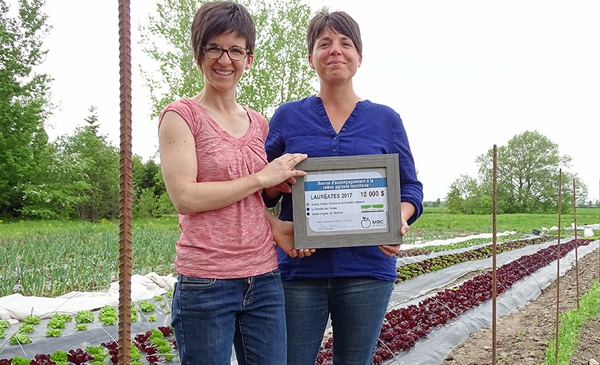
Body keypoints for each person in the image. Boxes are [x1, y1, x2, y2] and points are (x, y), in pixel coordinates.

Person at [263, 8, 424, 365]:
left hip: (367, 269)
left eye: (345, 43)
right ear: (310, 58)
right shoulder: (287, 116)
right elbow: (261, 189)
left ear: (359, 57)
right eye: (325, 43)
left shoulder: (386, 119)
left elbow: (410, 187)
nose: (335, 50)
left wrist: (398, 217)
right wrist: (279, 183)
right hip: (300, 271)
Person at [157, 2, 311, 364]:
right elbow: (186, 197)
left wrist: (277, 227)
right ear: (198, 53)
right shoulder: (181, 116)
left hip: (264, 279)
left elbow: (249, 201)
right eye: (214, 48)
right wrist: (262, 176)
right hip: (206, 281)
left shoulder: (258, 123)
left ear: (249, 59)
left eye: (236, 50)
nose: (225, 60)